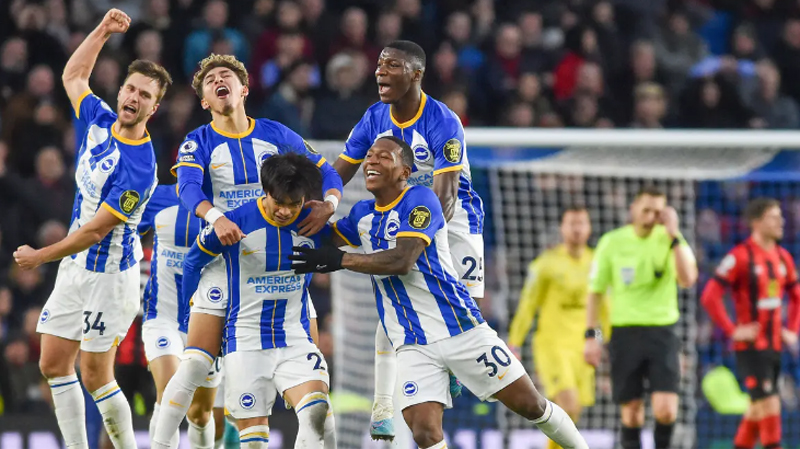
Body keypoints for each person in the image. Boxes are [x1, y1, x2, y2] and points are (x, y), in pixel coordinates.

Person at [292, 136, 588, 449]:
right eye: (368, 156)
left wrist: (340, 260)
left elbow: (402, 260)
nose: (371, 162)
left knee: (532, 406)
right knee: (424, 432)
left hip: (460, 330)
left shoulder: (421, 200)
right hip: (413, 343)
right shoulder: (362, 215)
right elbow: (326, 240)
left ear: (405, 172)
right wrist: (291, 214)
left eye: (383, 157)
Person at [153, 53, 342, 447]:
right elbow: (187, 188)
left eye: (227, 76)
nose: (219, 80)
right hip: (226, 260)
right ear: (205, 100)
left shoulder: (276, 133)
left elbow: (326, 171)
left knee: (310, 385)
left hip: (279, 267)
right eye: (210, 81)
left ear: (244, 89)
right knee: (195, 367)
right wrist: (215, 217)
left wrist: (331, 204)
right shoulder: (198, 141)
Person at [12, 8, 172, 449]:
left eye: (145, 96)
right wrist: (101, 31)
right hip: (74, 266)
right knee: (52, 362)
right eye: (131, 88)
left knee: (96, 374)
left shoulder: (140, 168)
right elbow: (73, 76)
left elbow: (94, 232)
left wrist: (38, 258)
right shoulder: (99, 119)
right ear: (120, 91)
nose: (134, 98)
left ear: (153, 109)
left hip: (107, 277)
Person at [332, 39, 480, 440]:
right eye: (379, 64)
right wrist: (324, 201)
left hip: (455, 219)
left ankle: (449, 370)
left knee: (462, 307)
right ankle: (383, 404)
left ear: (416, 74)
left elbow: (446, 196)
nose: (379, 71)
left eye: (391, 65)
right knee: (399, 301)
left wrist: (423, 241)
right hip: (405, 217)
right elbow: (339, 171)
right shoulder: (373, 118)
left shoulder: (442, 120)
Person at [177, 153, 334, 449]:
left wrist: (332, 204)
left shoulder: (314, 224)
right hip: (245, 342)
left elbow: (353, 237)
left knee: (318, 414)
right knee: (254, 441)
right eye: (280, 203)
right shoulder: (234, 223)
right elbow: (191, 263)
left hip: (293, 339)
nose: (286, 212)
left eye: (294, 204)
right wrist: (187, 315)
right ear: (266, 191)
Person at [583, 186, 698, 449]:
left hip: (663, 332)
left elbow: (688, 279)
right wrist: (592, 336)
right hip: (624, 333)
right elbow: (595, 292)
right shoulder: (612, 242)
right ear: (633, 209)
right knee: (632, 412)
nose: (651, 216)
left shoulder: (671, 240)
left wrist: (673, 235)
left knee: (666, 410)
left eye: (657, 211)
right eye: (646, 209)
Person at [700, 198, 800, 449]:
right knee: (769, 404)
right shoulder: (739, 257)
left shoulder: (783, 257)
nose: (781, 222)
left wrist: (792, 330)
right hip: (751, 348)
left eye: (780, 216)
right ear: (756, 222)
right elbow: (709, 296)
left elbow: (797, 295)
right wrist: (733, 330)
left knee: (757, 408)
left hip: (775, 345)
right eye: (773, 217)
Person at [508, 206, 604, 449]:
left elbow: (605, 308)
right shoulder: (546, 264)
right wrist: (515, 342)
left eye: (581, 223)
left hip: (582, 348)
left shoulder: (597, 263)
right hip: (553, 346)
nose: (577, 229)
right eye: (571, 223)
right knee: (567, 406)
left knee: (571, 416)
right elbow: (528, 304)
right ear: (562, 228)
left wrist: (603, 341)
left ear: (589, 228)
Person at [138, 184, 223, 448]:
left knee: (200, 414)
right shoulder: (156, 197)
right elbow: (124, 234)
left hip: (207, 319)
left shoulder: (227, 200)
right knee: (167, 394)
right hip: (162, 317)